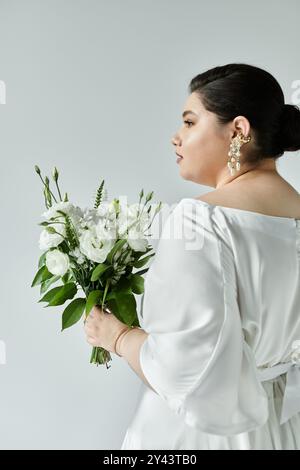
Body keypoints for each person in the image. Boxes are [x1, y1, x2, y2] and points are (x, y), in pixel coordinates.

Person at [84, 63, 300, 450]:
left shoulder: (200, 220)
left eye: (189, 122)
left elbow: (185, 369)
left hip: (203, 436)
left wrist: (117, 337)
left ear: (237, 130)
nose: (176, 137)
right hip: (280, 428)